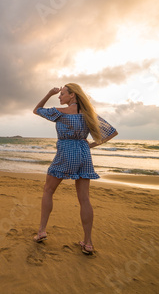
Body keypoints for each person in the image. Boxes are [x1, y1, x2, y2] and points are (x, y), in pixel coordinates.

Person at [32, 83, 118, 255]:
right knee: (84, 199)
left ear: (72, 95)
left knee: (48, 190)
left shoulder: (59, 112)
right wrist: (91, 145)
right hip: (84, 154)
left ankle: (42, 231)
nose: (59, 96)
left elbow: (37, 109)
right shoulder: (89, 115)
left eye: (62, 93)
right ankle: (88, 243)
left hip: (66, 153)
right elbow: (111, 132)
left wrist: (49, 93)